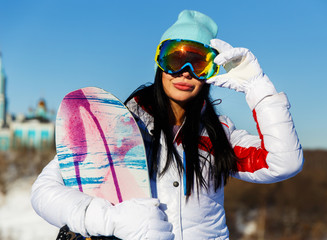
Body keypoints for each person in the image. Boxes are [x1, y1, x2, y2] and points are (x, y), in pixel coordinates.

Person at [31, 10, 304, 240]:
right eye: (174, 58)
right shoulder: (119, 126)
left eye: (198, 63)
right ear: (159, 64)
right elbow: (44, 192)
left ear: (210, 72)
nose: (185, 71)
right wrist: (110, 220)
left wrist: (258, 89)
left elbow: (284, 162)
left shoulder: (219, 134)